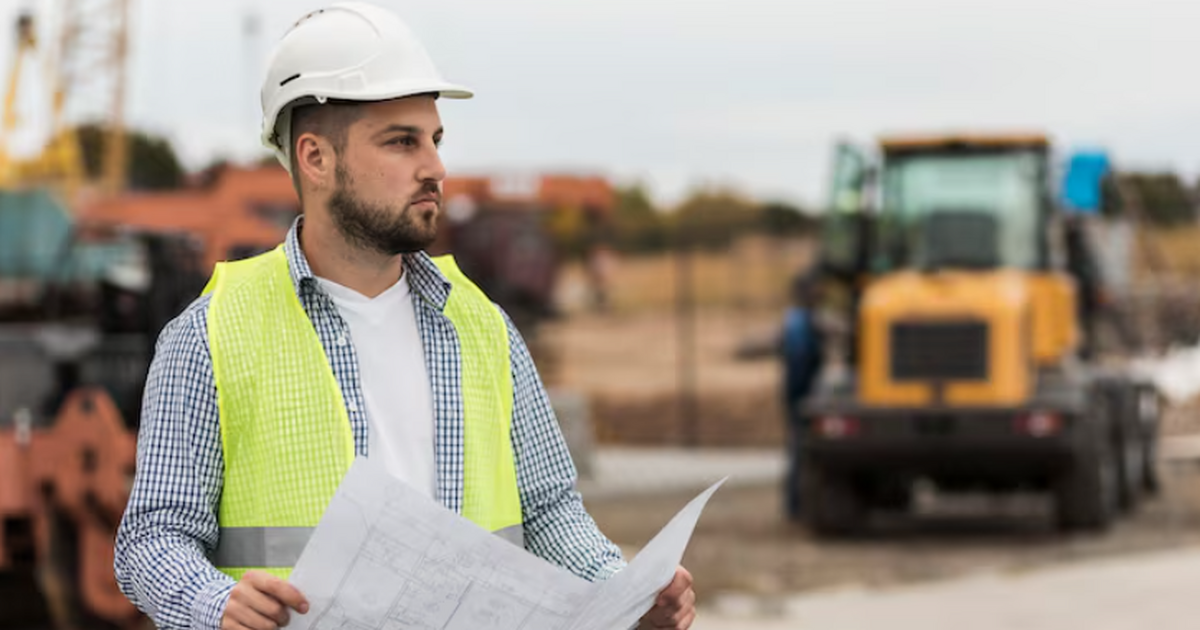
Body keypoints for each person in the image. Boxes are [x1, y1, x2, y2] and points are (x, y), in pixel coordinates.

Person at [113, 4, 696, 629]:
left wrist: (625, 593)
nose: (435, 168)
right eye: (402, 141)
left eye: (436, 140)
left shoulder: (484, 328)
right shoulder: (209, 336)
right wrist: (214, 605)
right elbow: (152, 538)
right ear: (315, 158)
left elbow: (551, 513)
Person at [780, 271, 824, 521]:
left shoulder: (800, 319)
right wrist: (802, 397)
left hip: (798, 392)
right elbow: (799, 359)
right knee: (798, 448)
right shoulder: (799, 322)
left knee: (797, 448)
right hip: (800, 393)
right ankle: (795, 504)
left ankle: (795, 502)